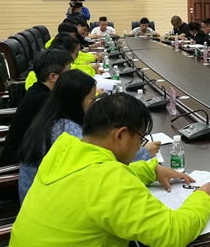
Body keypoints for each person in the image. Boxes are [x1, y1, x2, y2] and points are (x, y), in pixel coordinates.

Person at [10, 93, 210, 247]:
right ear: (120, 136)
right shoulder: (108, 179)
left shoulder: (64, 150)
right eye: (140, 139)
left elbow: (93, 180)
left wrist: (152, 169)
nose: (139, 146)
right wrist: (203, 199)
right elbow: (172, 233)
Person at [19, 70, 161, 203]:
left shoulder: (50, 117)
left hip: (39, 199)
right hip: (49, 201)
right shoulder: (68, 132)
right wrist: (145, 152)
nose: (95, 104)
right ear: (76, 101)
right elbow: (108, 161)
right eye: (93, 99)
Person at [0, 48, 73, 165]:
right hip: (24, 160)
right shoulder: (42, 100)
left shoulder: (41, 89)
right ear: (53, 77)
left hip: (36, 152)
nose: (72, 75)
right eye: (69, 71)